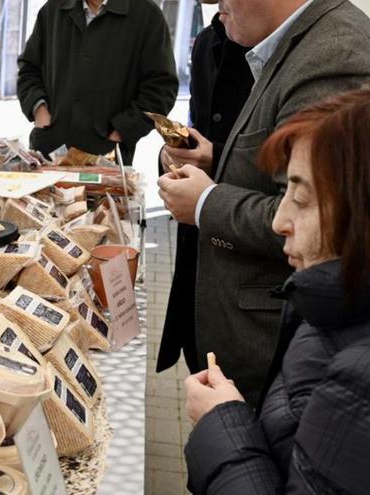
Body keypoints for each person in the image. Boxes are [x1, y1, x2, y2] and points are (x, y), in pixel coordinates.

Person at [157, 0, 370, 407]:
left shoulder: (336, 52)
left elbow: (319, 223)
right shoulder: (300, 41)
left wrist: (205, 203)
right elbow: (287, 174)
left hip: (267, 344)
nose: (212, 3)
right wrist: (215, 157)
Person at [183, 86, 370, 495]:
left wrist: (223, 422)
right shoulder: (327, 307)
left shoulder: (359, 382)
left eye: (301, 197)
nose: (279, 220)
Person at [156, 2, 253, 374]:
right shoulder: (210, 40)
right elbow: (200, 136)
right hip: (198, 284)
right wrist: (176, 158)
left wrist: (215, 168)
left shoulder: (326, 49)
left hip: (254, 311)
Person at [16, 0, 178, 164]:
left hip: (105, 157)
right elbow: (28, 68)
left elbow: (161, 89)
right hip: (48, 150)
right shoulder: (54, 8)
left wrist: (121, 130)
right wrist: (40, 112)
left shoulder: (146, 15)